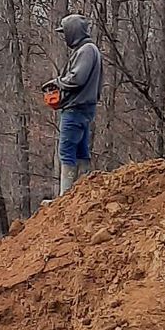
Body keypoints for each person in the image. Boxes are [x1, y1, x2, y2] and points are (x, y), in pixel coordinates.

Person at [52, 14, 103, 196]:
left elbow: (77, 78)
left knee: (66, 151)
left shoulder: (86, 51)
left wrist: (59, 82)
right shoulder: (89, 49)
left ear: (72, 32)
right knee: (81, 151)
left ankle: (65, 198)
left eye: (64, 32)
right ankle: (85, 194)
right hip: (84, 108)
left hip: (76, 108)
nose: (64, 36)